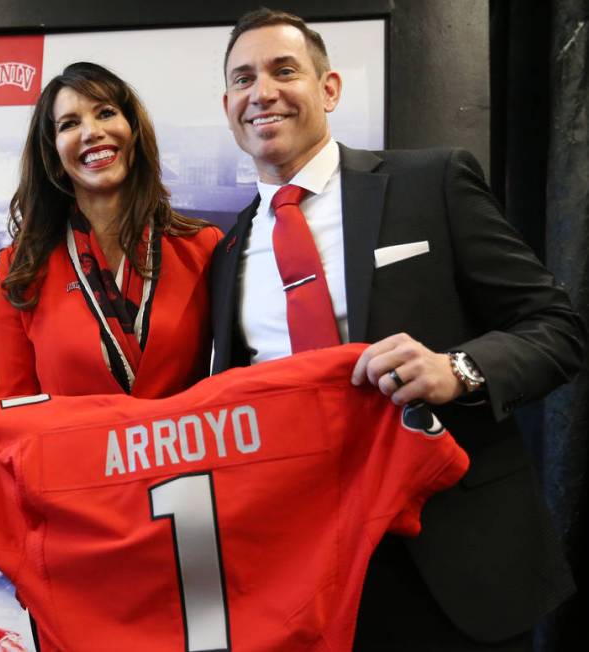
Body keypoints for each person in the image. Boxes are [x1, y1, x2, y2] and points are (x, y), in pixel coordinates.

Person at [211, 8, 585, 652]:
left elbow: (557, 328)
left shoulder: (430, 182)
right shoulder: (227, 252)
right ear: (228, 106)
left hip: (451, 559)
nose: (262, 92)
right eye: (244, 79)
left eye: (284, 70)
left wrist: (457, 369)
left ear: (328, 89)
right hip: (308, 573)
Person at [0, 62, 221, 436]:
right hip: (73, 486)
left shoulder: (202, 247)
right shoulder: (20, 270)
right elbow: (14, 410)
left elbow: (236, 383)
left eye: (106, 113)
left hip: (184, 482)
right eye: (70, 124)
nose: (92, 132)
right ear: (53, 154)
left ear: (133, 131)